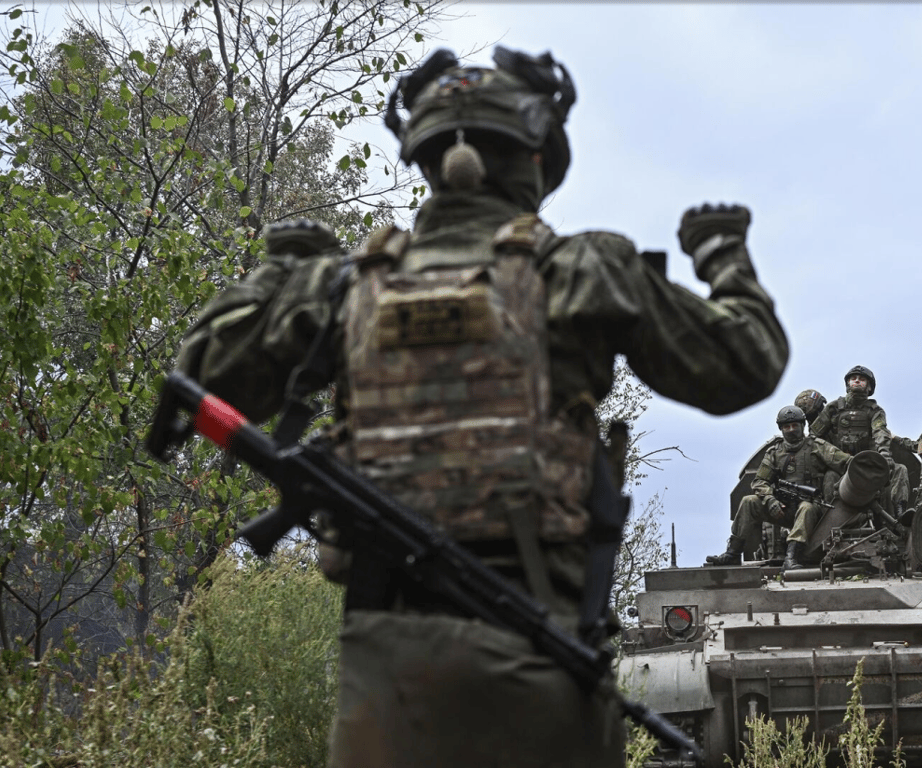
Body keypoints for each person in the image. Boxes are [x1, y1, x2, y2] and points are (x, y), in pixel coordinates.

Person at [174, 46, 788, 768]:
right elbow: (743, 365)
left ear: (426, 159)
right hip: (543, 662)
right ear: (536, 157)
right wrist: (724, 257)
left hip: (383, 680)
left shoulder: (342, 289)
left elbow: (199, 380)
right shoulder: (581, 269)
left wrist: (276, 275)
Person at [707, 406, 849, 569]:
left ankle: (792, 557)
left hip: (814, 510)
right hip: (783, 508)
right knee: (749, 502)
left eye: (795, 425)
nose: (791, 430)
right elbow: (759, 482)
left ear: (802, 426)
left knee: (806, 508)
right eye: (786, 427)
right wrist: (770, 501)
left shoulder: (818, 447)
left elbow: (845, 461)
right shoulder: (774, 453)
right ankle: (732, 553)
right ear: (781, 429)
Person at [810, 365, 909, 513]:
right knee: (829, 477)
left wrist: (885, 454)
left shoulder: (875, 411)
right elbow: (813, 436)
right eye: (853, 379)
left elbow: (880, 432)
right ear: (847, 384)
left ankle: (900, 512)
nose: (857, 381)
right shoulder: (833, 408)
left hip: (866, 464)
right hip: (839, 465)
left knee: (900, 469)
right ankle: (829, 517)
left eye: (862, 379)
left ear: (869, 387)